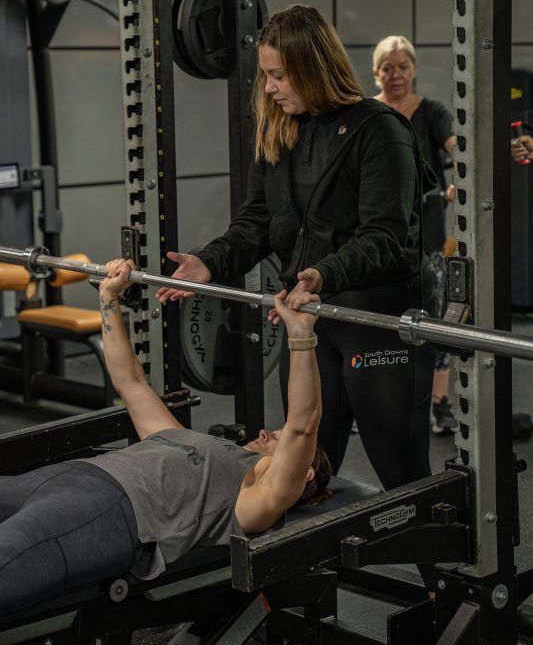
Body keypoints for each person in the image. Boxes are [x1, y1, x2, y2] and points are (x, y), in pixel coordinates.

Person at [156, 4, 437, 488]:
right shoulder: (281, 129)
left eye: (279, 75)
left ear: (313, 68)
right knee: (302, 469)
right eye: (266, 75)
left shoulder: (381, 130)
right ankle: (316, 566)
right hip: (308, 320)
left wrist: (322, 273)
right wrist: (210, 263)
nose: (269, 88)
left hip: (377, 322)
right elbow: (259, 221)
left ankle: (447, 568)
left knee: (402, 473)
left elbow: (387, 238)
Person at [0, 259, 331, 620]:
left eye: (276, 439)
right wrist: (109, 299)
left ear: (305, 473)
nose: (265, 432)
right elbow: (131, 383)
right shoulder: (181, 437)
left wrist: (301, 338)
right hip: (67, 475)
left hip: (111, 510)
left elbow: (303, 425)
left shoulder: (259, 494)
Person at [373, 35, 457, 436]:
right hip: (378, 240)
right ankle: (379, 404)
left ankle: (439, 403)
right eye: (388, 67)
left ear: (415, 69)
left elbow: (457, 147)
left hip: (427, 239)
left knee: (435, 319)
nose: (396, 74)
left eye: (403, 66)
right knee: (380, 323)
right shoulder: (368, 113)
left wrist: (466, 174)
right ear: (376, 72)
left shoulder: (433, 112)